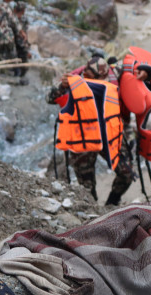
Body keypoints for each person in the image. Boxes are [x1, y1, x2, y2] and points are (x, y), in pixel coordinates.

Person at [47, 56, 134, 205]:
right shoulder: (74, 82)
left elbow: (137, 70)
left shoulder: (114, 74)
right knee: (86, 188)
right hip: (83, 137)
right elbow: (49, 98)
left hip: (108, 134)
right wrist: (62, 86)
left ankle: (112, 204)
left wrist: (148, 76)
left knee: (126, 173)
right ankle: (93, 211)